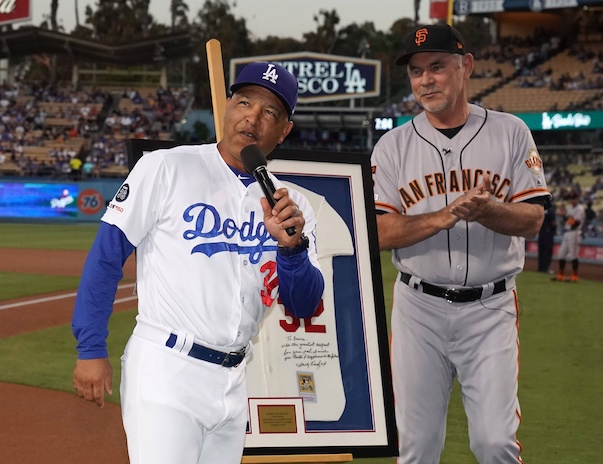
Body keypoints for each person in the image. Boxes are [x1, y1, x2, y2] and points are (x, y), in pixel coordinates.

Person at [71, 61, 325, 464]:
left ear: (285, 130)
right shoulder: (167, 166)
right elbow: (106, 257)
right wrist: (91, 347)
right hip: (167, 369)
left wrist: (292, 250)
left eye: (270, 112)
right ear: (227, 106)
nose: (252, 118)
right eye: (244, 102)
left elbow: (302, 304)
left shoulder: (292, 207)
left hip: (233, 379)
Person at [370, 24, 551, 464]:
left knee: (494, 443)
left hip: (490, 310)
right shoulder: (392, 146)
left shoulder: (510, 132)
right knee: (414, 447)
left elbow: (534, 220)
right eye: (416, 72)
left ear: (465, 66)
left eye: (436, 66)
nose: (425, 80)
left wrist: (489, 211)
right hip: (419, 310)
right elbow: (378, 232)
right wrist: (444, 215)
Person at [552, 191, 586, 282]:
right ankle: (560, 275)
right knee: (561, 254)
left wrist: (565, 217)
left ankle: (574, 276)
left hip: (574, 232)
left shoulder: (580, 209)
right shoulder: (570, 208)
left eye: (573, 198)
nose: (572, 200)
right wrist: (564, 216)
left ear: (577, 199)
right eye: (571, 198)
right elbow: (566, 222)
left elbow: (576, 223)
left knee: (573, 255)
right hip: (567, 232)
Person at [537, 197, 556, 273]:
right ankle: (546, 268)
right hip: (548, 233)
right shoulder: (551, 210)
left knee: (541, 251)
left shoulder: (541, 209)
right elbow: (553, 223)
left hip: (541, 232)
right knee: (547, 251)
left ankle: (540, 267)